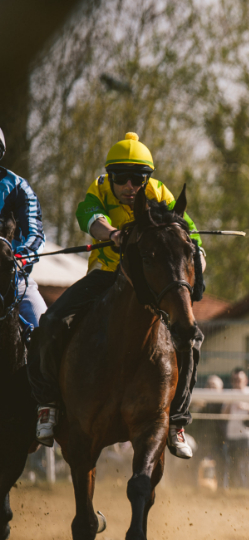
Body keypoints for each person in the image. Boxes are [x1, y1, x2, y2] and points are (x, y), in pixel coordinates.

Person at [28, 132, 205, 458]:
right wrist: (111, 234)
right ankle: (48, 405)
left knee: (191, 339)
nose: (128, 185)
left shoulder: (159, 193)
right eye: (120, 177)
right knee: (50, 321)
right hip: (104, 278)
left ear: (147, 178)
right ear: (110, 176)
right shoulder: (99, 189)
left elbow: (188, 230)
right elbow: (90, 217)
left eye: (136, 177)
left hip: (150, 285)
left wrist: (196, 250)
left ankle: (177, 419)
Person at [0, 126, 47, 335]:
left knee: (44, 329)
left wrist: (18, 259)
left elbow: (35, 235)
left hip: (13, 279)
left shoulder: (18, 187)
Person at [222, 368, 249, 489]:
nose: (237, 382)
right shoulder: (229, 393)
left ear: (246, 380)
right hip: (232, 435)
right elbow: (223, 415)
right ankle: (235, 490)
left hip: (248, 435)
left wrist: (246, 406)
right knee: (232, 465)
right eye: (234, 380)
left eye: (239, 380)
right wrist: (231, 402)